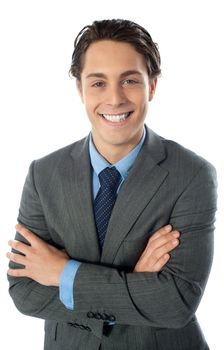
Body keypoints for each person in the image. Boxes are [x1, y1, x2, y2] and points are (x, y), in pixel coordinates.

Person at [7, 19, 217, 350]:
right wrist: (135, 281)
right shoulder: (43, 174)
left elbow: (176, 303)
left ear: (152, 86)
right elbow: (24, 292)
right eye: (98, 83)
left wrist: (64, 274)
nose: (115, 99)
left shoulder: (191, 175)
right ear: (80, 89)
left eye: (130, 80)